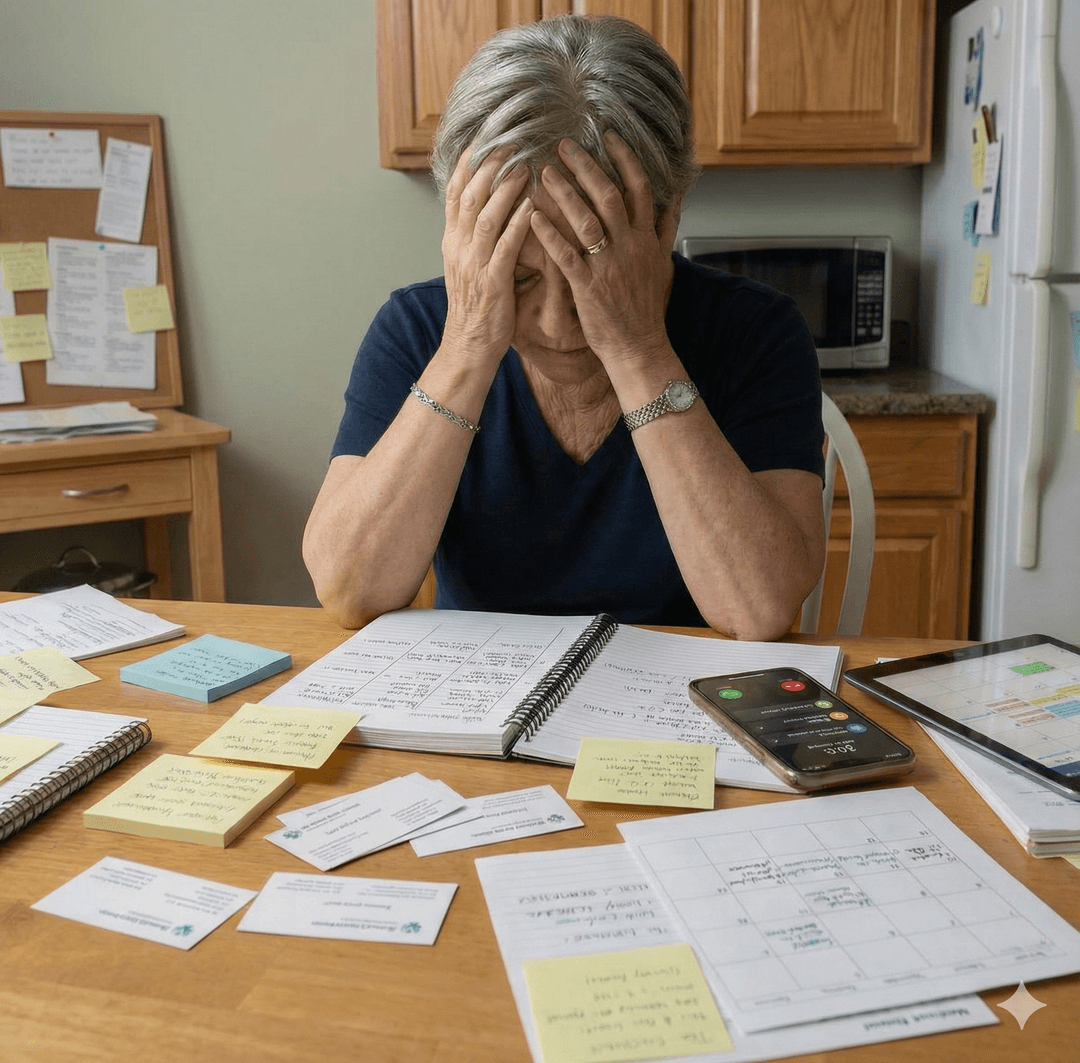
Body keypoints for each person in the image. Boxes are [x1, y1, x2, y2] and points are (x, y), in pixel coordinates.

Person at [304, 15, 826, 640]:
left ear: (667, 217)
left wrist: (637, 349)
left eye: (593, 272)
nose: (557, 324)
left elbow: (758, 610)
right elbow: (348, 591)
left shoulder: (756, 332)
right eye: (519, 278)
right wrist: (468, 347)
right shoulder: (416, 329)